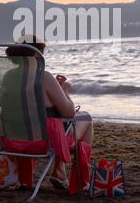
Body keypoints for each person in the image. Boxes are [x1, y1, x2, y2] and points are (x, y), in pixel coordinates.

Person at [6, 35, 93, 189]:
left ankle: (28, 178)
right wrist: (64, 91)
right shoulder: (44, 77)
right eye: (42, 52)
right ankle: (74, 179)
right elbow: (69, 113)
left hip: (15, 140)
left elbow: (3, 105)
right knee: (85, 118)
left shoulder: (8, 77)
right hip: (45, 143)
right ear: (35, 54)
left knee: (48, 120)